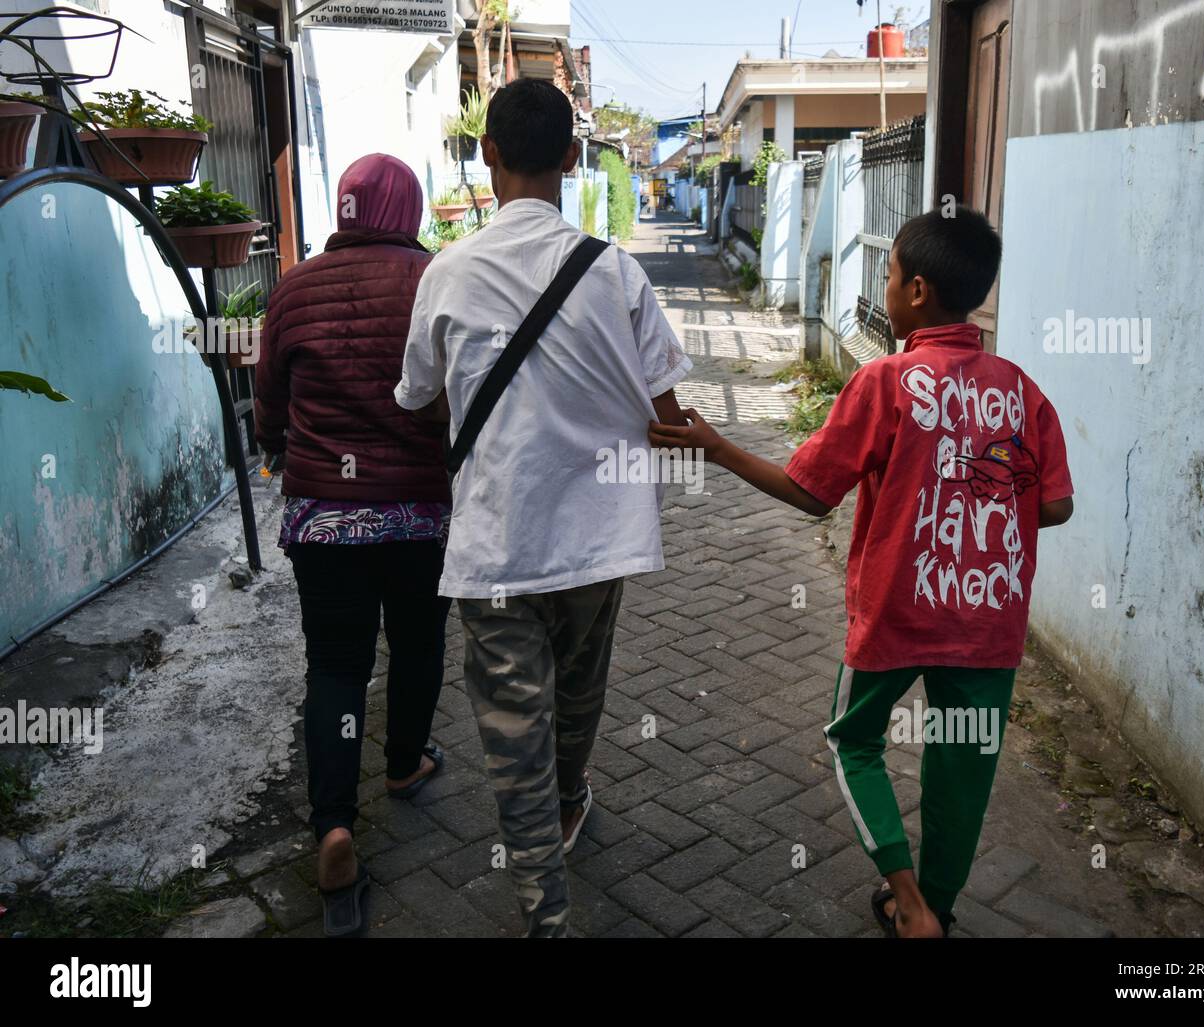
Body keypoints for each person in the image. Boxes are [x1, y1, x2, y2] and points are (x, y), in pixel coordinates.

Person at [649, 206, 1075, 939]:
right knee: (963, 766)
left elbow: (811, 492)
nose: (885, 283)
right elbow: (1057, 508)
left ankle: (907, 901)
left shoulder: (888, 382)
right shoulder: (1020, 390)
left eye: (887, 273)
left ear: (915, 289)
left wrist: (717, 448)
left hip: (897, 612)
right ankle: (935, 907)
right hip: (988, 619)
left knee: (855, 740)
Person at [395, 79, 692, 937]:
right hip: (600, 545)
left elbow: (419, 398)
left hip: (494, 547)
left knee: (510, 729)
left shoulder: (446, 272)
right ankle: (570, 798)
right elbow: (670, 418)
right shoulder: (619, 273)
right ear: (573, 157)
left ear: (486, 153)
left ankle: (544, 908)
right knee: (580, 691)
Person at [254, 154, 453, 937]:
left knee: (335, 665)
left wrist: (282, 451)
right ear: (407, 208)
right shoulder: (437, 279)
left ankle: (334, 825)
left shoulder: (292, 287)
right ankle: (403, 762)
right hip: (416, 517)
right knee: (416, 643)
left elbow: (270, 402)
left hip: (325, 519)